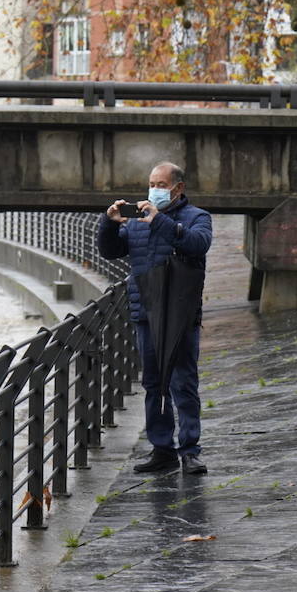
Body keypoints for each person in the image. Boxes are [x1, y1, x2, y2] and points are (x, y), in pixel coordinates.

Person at [97, 162, 213, 475]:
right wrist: (109, 223)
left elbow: (197, 244)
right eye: (151, 183)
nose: (154, 189)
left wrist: (159, 220)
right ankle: (162, 449)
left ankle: (190, 450)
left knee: (183, 381)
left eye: (161, 184)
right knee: (153, 382)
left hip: (180, 313)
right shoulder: (136, 221)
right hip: (146, 311)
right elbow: (110, 251)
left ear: (178, 188)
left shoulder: (197, 217)